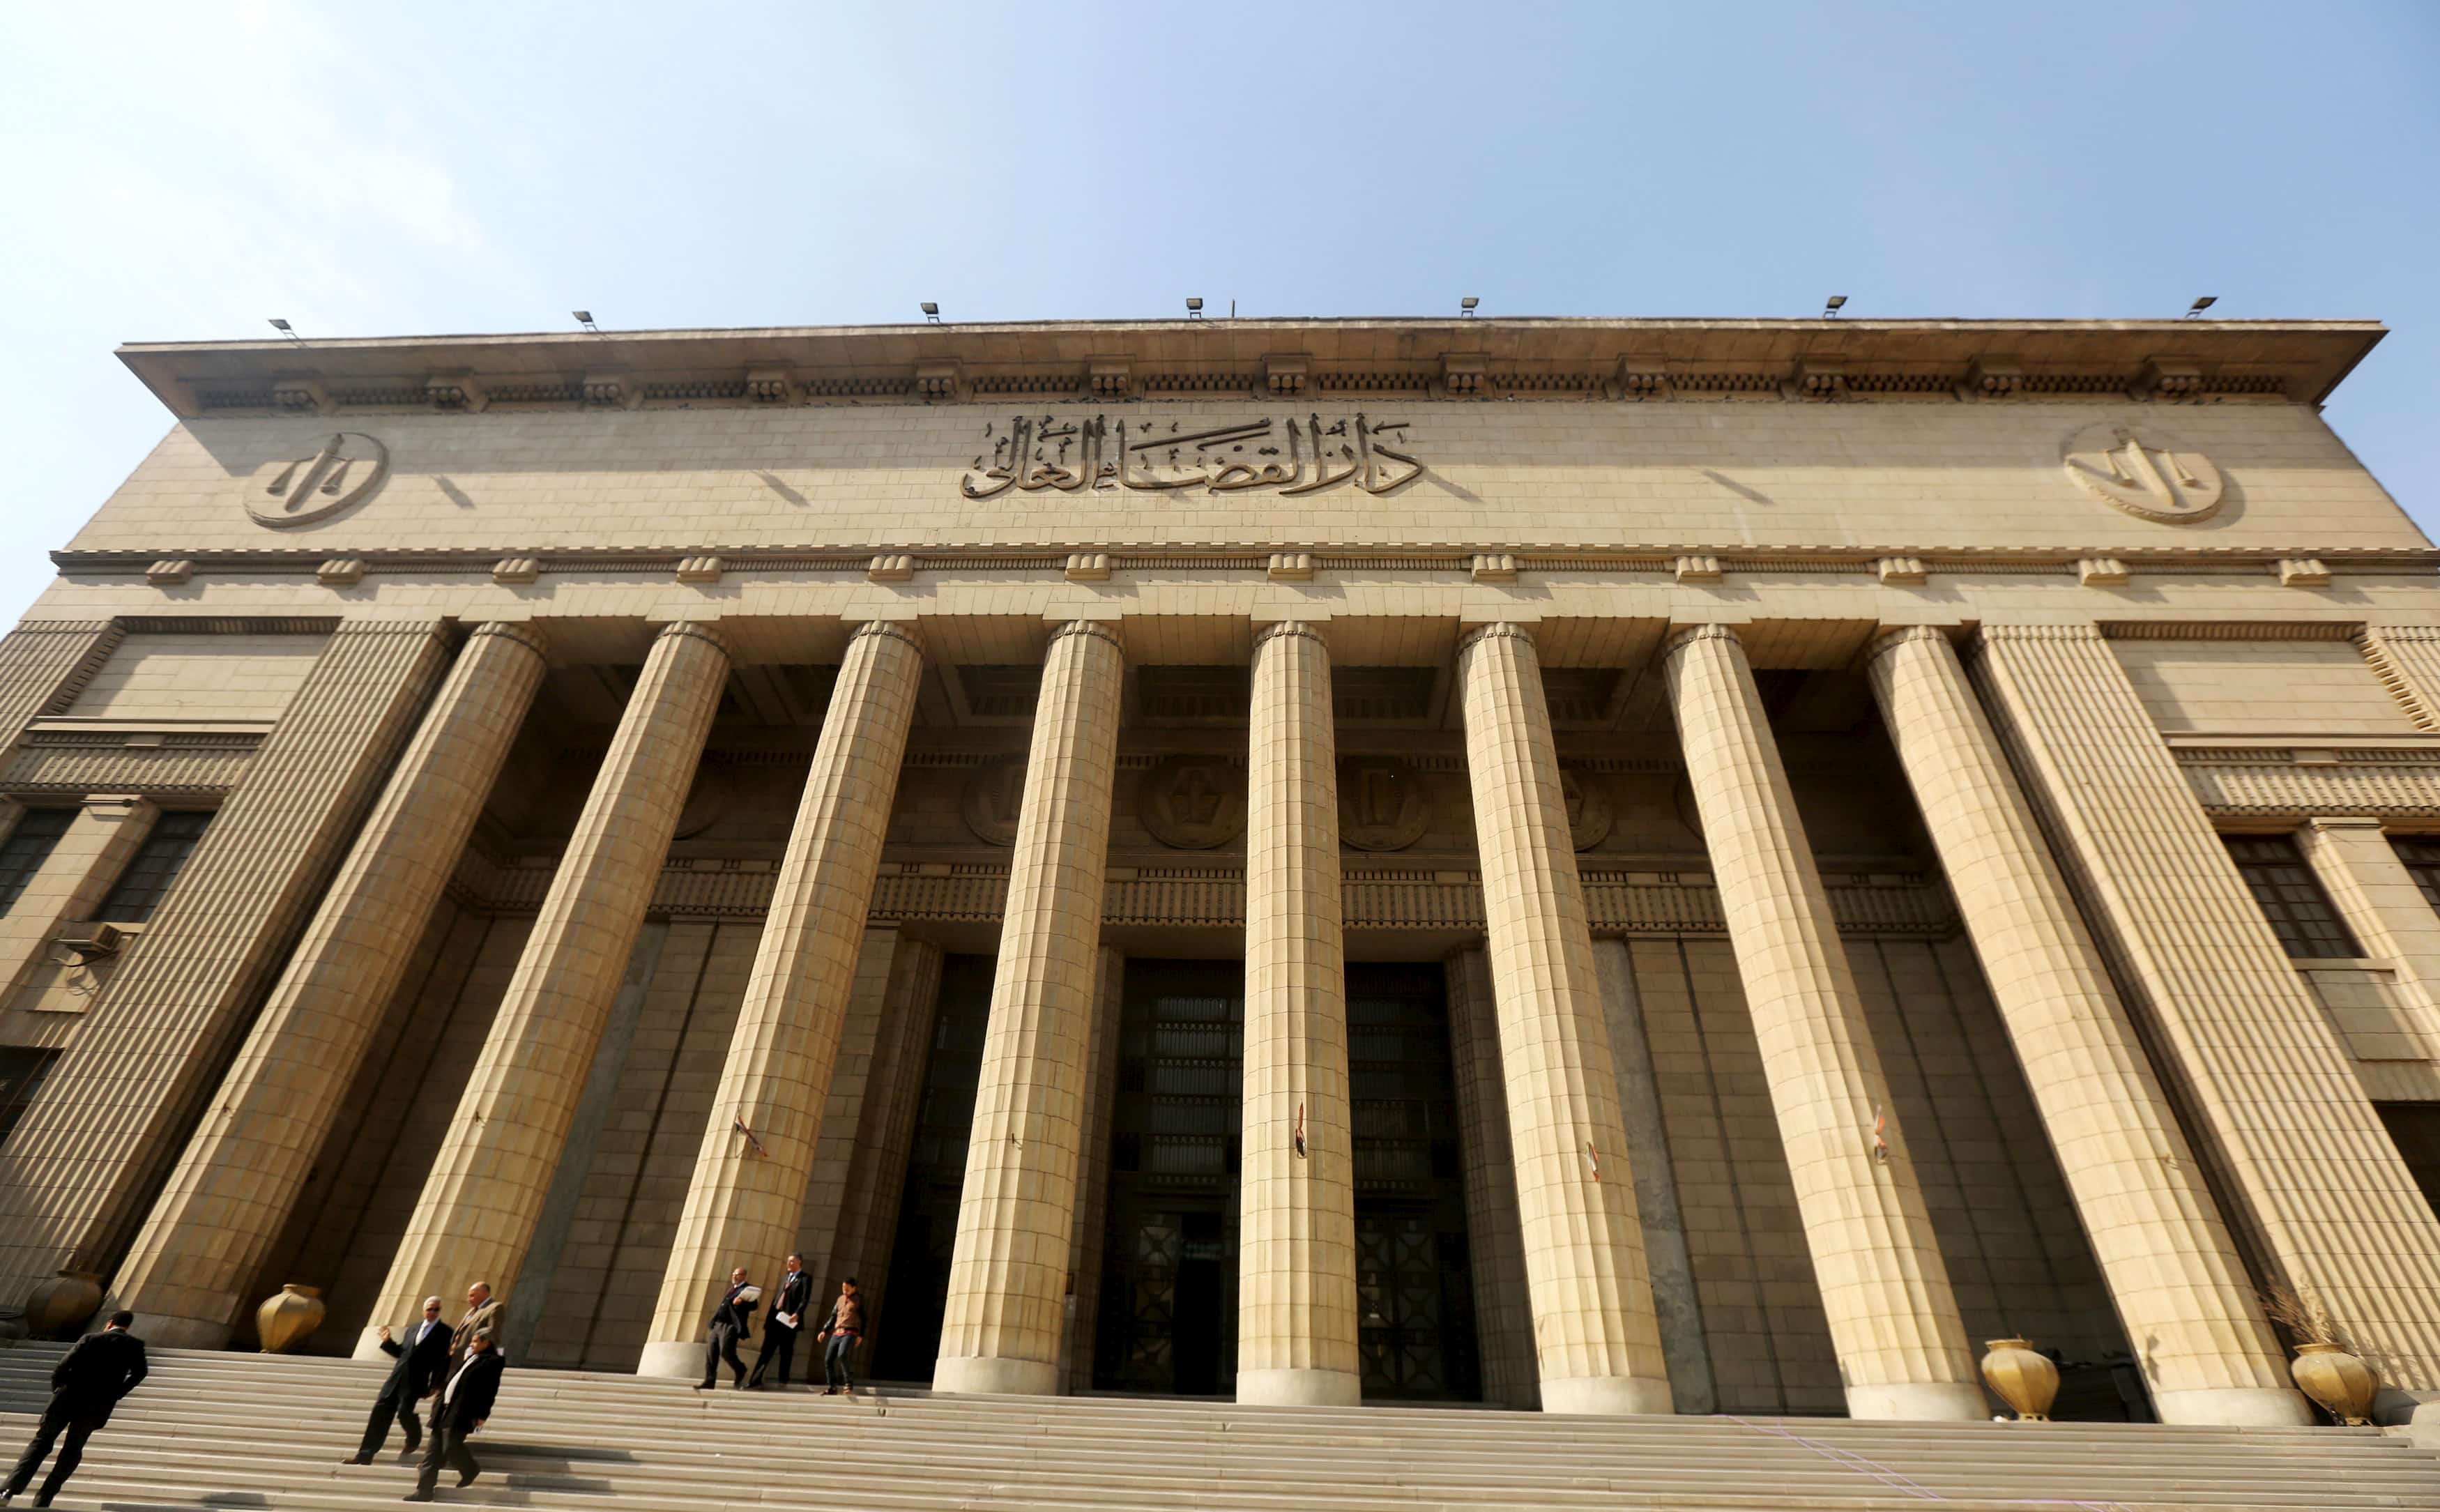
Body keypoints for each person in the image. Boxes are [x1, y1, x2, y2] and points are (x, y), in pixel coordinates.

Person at [2, 1310, 148, 1509]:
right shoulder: (135, 1345)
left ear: (109, 1323)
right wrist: (117, 1393)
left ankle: (9, 1490)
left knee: (41, 1443)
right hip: (96, 1406)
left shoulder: (90, 1338)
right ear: (127, 1327)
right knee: (72, 1450)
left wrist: (58, 1388)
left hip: (66, 1398)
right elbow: (140, 1373)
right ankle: (44, 1499)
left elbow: (63, 1365)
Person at [346, 1295, 452, 1465]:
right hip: (396, 1378)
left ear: (440, 1311)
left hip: (416, 1380)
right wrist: (388, 1342)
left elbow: (442, 1361)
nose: (433, 1312)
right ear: (424, 1310)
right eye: (430, 1309)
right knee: (379, 1413)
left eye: (436, 1309)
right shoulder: (413, 1328)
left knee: (404, 1412)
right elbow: (402, 1354)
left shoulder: (446, 1332)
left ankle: (414, 1436)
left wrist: (435, 1385)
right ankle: (365, 1454)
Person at [407, 1328, 502, 1503]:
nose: (471, 1344)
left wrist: (483, 1414)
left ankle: (470, 1469)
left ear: (486, 1342)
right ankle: (424, 1491)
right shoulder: (469, 1358)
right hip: (444, 1409)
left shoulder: (492, 1362)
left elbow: (490, 1390)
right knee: (431, 1454)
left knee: (451, 1445)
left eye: (475, 1341)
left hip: (462, 1411)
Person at [748, 1253, 811, 1390]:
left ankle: (783, 1380)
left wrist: (797, 1313)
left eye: (792, 1261)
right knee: (766, 1350)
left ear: (799, 1262)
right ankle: (755, 1380)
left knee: (786, 1351)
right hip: (775, 1320)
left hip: (789, 1321)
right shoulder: (785, 1278)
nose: (789, 1263)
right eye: (788, 1261)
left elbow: (805, 1299)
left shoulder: (805, 1279)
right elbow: (777, 1298)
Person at [696, 1268, 757, 1391]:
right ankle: (709, 1380)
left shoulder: (748, 1289)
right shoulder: (732, 1288)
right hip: (718, 1324)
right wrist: (714, 1320)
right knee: (711, 1351)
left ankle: (740, 1369)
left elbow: (754, 1306)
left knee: (726, 1351)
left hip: (731, 1325)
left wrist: (741, 1302)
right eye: (733, 1274)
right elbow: (723, 1305)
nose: (734, 1276)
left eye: (737, 1274)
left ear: (744, 1276)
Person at [817, 1277, 864, 1396]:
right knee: (828, 1359)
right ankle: (832, 1387)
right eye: (844, 1288)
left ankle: (848, 1382)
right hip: (837, 1332)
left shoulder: (859, 1300)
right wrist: (824, 1330)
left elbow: (865, 1318)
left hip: (850, 1331)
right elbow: (833, 1317)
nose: (845, 1290)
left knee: (842, 1354)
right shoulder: (840, 1299)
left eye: (848, 1288)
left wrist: (861, 1335)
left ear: (854, 1288)